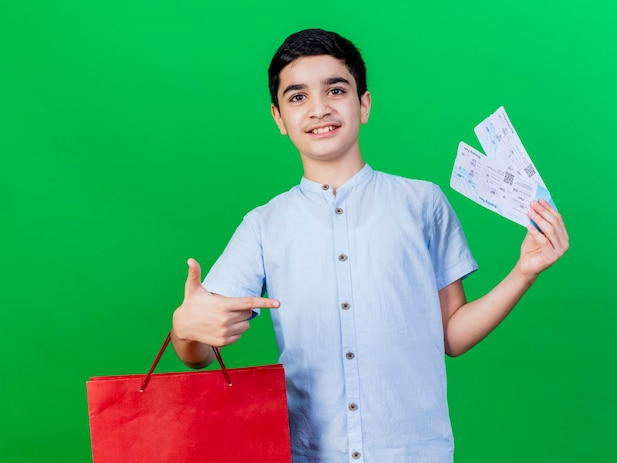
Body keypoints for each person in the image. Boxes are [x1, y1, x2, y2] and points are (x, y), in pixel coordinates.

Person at [171, 29, 569, 462]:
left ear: (364, 105)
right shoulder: (263, 226)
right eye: (298, 97)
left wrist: (523, 272)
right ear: (278, 119)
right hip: (309, 453)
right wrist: (185, 327)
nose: (320, 108)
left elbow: (450, 335)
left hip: (416, 453)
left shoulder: (423, 203)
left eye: (336, 89)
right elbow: (198, 351)